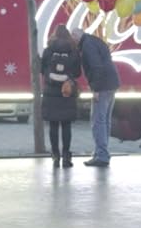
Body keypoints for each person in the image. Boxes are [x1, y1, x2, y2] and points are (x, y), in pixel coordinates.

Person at [79, 28, 120, 168]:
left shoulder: (87, 45)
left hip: (102, 86)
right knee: (105, 121)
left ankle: (101, 155)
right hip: (112, 83)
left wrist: (95, 88)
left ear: (75, 36)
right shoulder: (95, 41)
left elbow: (96, 66)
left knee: (98, 121)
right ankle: (101, 153)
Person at [41, 25, 81, 168]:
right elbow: (77, 72)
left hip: (50, 92)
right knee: (66, 125)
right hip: (67, 93)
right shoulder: (73, 51)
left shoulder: (48, 50)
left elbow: (42, 69)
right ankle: (66, 156)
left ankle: (55, 156)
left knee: (53, 125)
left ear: (55, 34)